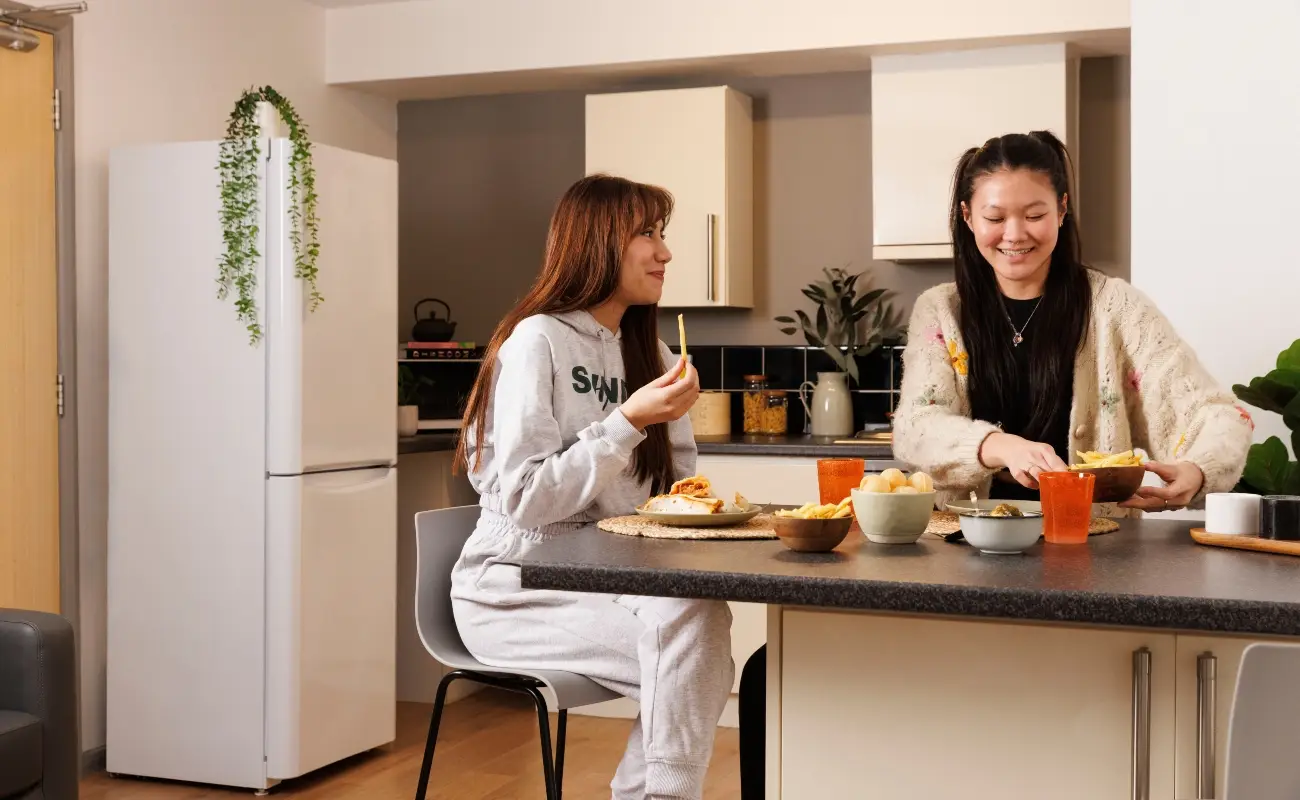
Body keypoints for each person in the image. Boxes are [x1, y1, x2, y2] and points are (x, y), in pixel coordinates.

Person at [733, 130, 1254, 798]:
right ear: (966, 218)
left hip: (1090, 560)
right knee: (775, 674)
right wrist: (997, 445)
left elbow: (1214, 412)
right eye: (996, 216)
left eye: (1035, 214)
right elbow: (916, 427)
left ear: (1063, 211)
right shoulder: (942, 310)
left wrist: (1200, 471)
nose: (1016, 234)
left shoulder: (1116, 306)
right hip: (960, 556)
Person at [450, 173, 735, 800]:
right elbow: (524, 500)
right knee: (699, 660)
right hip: (514, 587)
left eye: (664, 235)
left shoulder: (651, 352)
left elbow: (672, 487)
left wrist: (686, 489)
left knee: (698, 626)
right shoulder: (538, 341)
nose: (665, 253)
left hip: (610, 577)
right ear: (600, 242)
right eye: (648, 234)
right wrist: (627, 420)